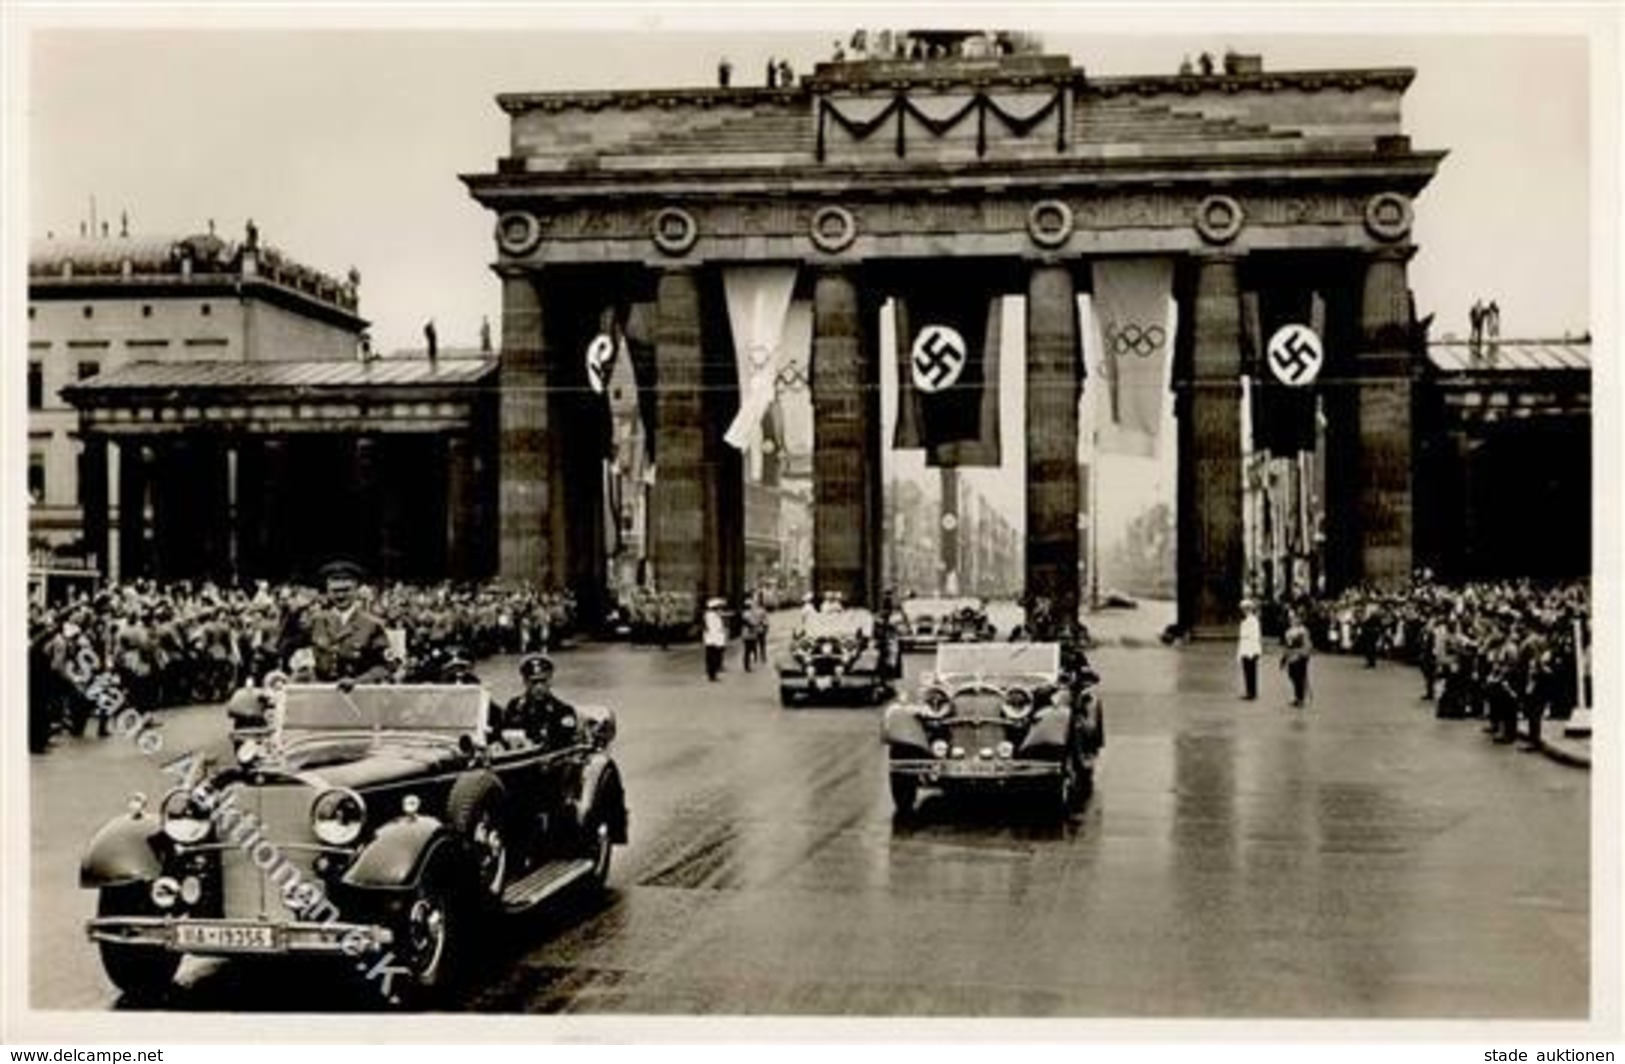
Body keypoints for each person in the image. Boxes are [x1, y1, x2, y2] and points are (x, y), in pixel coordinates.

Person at [306, 560, 393, 686]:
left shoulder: (372, 624)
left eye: (346, 590)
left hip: (359, 696)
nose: (340, 595)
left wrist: (358, 681)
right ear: (328, 591)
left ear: (356, 590)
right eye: (335, 591)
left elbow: (385, 666)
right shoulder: (316, 621)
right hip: (323, 694)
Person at [500, 654, 578, 747]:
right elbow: (502, 733)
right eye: (534, 682)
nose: (539, 687)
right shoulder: (514, 707)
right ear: (525, 682)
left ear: (550, 681)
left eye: (543, 681)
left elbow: (563, 739)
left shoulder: (562, 711)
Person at [1280, 609, 1312, 708]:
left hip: (1300, 656)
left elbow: (1307, 645)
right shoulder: (1288, 631)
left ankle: (1300, 699)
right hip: (1291, 657)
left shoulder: (1303, 630)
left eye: (1295, 619)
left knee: (1299, 677)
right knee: (1292, 676)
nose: (1293, 621)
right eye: (1292, 619)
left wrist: (1305, 656)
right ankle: (1297, 697)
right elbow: (1286, 646)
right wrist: (1283, 659)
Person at [1237, 599, 1262, 700]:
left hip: (1251, 649)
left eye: (1244, 609)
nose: (1243, 611)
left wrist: (1252, 651)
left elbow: (1255, 636)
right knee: (1247, 672)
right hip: (1245, 648)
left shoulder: (1253, 620)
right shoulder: (1245, 620)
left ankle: (1252, 692)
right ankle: (1249, 691)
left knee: (1251, 672)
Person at [702, 597, 728, 681]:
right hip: (713, 641)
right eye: (719, 607)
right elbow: (714, 630)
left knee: (711, 658)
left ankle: (712, 674)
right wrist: (719, 643)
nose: (720, 609)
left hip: (711, 640)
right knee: (712, 658)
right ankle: (712, 675)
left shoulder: (712, 615)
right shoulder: (711, 616)